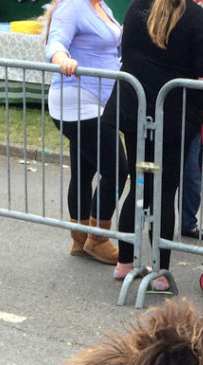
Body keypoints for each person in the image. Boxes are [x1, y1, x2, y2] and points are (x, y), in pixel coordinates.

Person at [102, 0, 203, 291]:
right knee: (165, 191)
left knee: (139, 183)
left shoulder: (136, 9)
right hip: (173, 117)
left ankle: (125, 263)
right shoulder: (196, 18)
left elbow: (127, 52)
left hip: (136, 111)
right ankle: (159, 273)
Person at [44, 0, 126, 264]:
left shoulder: (101, 7)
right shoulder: (73, 5)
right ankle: (97, 239)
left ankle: (80, 239)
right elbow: (55, 42)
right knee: (117, 168)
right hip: (78, 101)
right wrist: (64, 60)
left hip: (95, 102)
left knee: (83, 169)